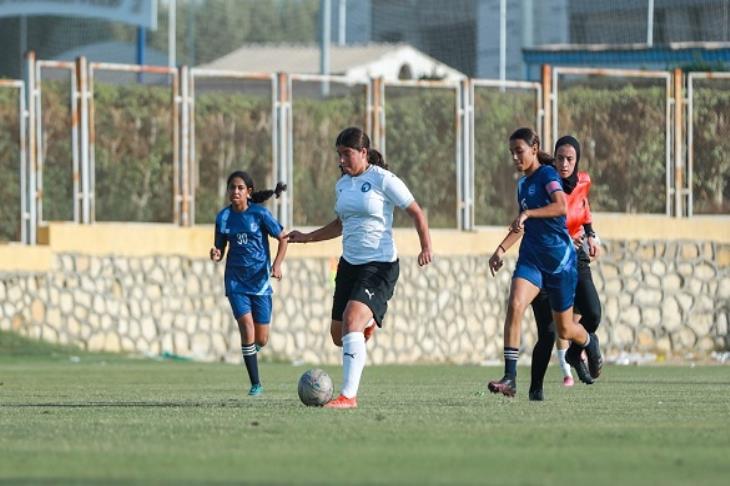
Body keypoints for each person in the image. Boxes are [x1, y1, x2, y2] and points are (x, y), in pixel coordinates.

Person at [286, 127, 432, 409]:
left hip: (379, 266)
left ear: (363, 153)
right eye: (339, 155)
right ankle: (365, 324)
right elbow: (340, 224)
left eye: (347, 154)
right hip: (349, 265)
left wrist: (425, 246)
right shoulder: (342, 185)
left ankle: (348, 396)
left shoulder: (383, 179)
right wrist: (306, 237)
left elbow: (416, 212)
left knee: (352, 321)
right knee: (339, 337)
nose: (341, 160)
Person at [486, 127, 602, 399]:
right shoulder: (522, 185)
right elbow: (521, 225)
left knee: (564, 329)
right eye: (512, 152)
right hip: (531, 260)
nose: (515, 157)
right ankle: (510, 378)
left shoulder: (548, 175)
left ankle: (587, 340)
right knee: (515, 304)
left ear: (534, 148)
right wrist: (500, 250)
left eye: (520, 151)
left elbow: (561, 205)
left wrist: (529, 213)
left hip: (560, 263)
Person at [528, 135, 604, 401]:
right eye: (559, 158)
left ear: (577, 160)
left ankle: (574, 352)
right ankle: (535, 389)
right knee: (548, 332)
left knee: (593, 313)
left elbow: (584, 209)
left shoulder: (583, 181)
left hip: (575, 259)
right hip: (548, 259)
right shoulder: (545, 184)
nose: (564, 163)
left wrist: (592, 235)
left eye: (570, 159)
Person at [210, 171, 288, 397]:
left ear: (249, 192)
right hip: (235, 282)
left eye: (240, 188)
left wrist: (277, 264)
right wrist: (215, 253)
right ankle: (256, 384)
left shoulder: (260, 214)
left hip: (260, 283)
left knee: (261, 338)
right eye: (232, 187)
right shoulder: (223, 218)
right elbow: (219, 250)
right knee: (247, 328)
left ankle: (251, 351)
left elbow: (283, 237)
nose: (235, 191)